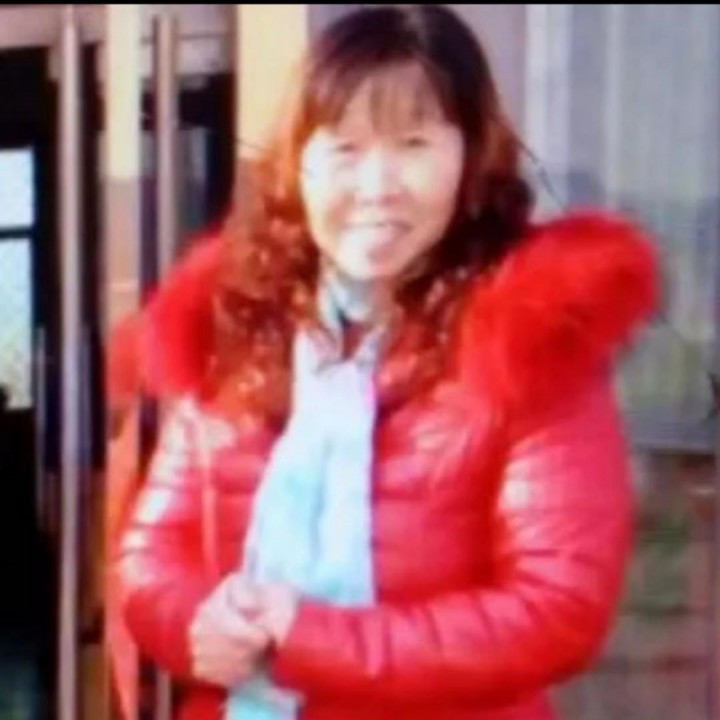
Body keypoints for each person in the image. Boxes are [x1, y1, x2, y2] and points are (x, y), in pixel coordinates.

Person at [111, 5, 659, 720]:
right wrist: (199, 625)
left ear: (471, 155)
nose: (377, 186)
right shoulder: (238, 328)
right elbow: (150, 554)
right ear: (298, 164)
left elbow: (557, 608)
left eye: (413, 144)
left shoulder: (529, 335)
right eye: (345, 148)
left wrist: (309, 640)